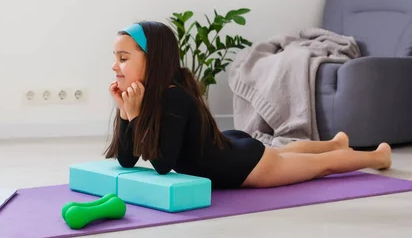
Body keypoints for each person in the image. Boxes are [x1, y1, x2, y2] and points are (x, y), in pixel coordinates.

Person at [104, 20, 392, 189]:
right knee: (286, 152)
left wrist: (134, 116)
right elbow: (127, 160)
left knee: (320, 167)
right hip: (228, 149)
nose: (116, 66)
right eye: (116, 58)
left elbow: (163, 165)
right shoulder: (146, 97)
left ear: (152, 59)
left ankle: (378, 157)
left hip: (244, 167)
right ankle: (336, 143)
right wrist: (125, 113)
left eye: (124, 58)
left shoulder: (174, 97)